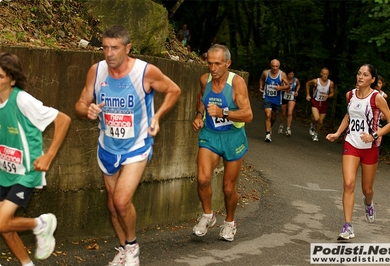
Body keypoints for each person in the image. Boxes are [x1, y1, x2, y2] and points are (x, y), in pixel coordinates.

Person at [74, 25, 181, 265]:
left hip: (137, 146)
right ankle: (123, 249)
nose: (109, 53)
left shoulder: (145, 72)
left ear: (128, 48)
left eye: (115, 48)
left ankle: (132, 247)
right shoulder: (97, 71)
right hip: (107, 146)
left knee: (122, 200)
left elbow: (174, 90)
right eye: (105, 48)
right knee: (113, 206)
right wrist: (87, 110)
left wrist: (157, 116)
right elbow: (80, 104)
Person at [0, 52, 71, 266]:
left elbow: (63, 119)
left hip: (27, 172)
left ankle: (40, 224)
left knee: (2, 223)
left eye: (0, 76)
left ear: (12, 80)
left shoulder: (22, 100)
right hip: (5, 171)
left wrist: (49, 155)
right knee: (6, 225)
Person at [326, 64, 390, 240]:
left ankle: (368, 203)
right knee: (348, 184)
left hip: (370, 148)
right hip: (352, 144)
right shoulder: (350, 95)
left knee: (367, 188)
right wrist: (338, 133)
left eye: (365, 75)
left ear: (372, 79)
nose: (360, 77)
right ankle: (348, 226)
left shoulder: (377, 98)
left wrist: (374, 135)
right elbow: (349, 115)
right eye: (358, 74)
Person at [191, 44, 253, 242]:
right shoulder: (204, 79)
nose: (213, 68)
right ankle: (208, 216)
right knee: (202, 179)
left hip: (233, 137)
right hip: (210, 134)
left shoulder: (237, 83)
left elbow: (248, 115)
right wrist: (199, 115)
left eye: (217, 64)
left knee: (228, 188)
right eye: (209, 63)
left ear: (228, 63)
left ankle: (230, 222)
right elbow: (202, 98)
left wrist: (224, 112)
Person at [259, 59, 290, 142]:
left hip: (277, 99)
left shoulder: (282, 74)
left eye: (276, 66)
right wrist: (261, 86)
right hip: (267, 97)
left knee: (273, 117)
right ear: (270, 66)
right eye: (273, 66)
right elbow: (261, 79)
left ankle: (270, 127)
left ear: (279, 66)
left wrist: (280, 88)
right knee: (268, 115)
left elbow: (288, 86)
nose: (275, 68)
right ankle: (268, 134)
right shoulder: (266, 73)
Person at [305, 67, 335, 142]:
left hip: (324, 103)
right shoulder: (316, 81)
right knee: (316, 118)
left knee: (321, 121)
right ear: (321, 74)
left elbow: (332, 93)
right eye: (324, 74)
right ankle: (312, 124)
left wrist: (328, 96)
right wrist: (308, 95)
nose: (325, 75)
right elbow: (307, 84)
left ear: (328, 75)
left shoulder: (330, 83)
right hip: (315, 101)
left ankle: (316, 134)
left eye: (326, 74)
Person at [278, 69, 300, 136]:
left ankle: (288, 128)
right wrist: (284, 90)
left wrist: (297, 91)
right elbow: (279, 87)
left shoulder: (295, 80)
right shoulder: (284, 80)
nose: (291, 76)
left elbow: (298, 85)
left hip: (292, 97)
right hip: (284, 97)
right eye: (289, 74)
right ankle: (281, 125)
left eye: (292, 74)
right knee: (283, 113)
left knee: (290, 113)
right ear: (287, 74)